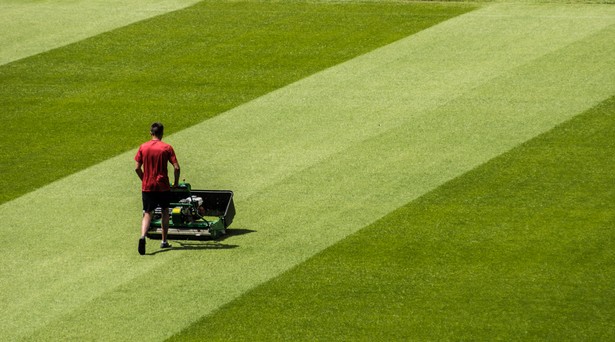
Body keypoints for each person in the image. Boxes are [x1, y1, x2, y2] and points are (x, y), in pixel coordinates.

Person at [134, 122, 180, 255]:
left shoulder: (143, 147)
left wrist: (144, 180)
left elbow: (137, 168)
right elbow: (176, 167)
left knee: (147, 212)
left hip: (147, 186)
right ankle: (164, 240)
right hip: (163, 186)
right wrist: (176, 183)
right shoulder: (166, 147)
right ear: (162, 133)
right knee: (165, 211)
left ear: (151, 133)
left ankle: (143, 236)